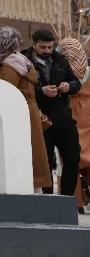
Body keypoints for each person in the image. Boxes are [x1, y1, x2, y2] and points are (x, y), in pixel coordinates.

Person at [0, 26, 52, 192]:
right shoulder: (16, 61)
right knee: (31, 156)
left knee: (21, 158)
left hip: (17, 117)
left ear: (0, 43)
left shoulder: (8, 67)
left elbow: (5, 93)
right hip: (26, 113)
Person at [24, 29, 82, 197]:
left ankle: (67, 198)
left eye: (50, 47)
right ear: (34, 44)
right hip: (40, 120)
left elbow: (76, 83)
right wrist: (41, 91)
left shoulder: (60, 59)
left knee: (72, 158)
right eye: (43, 47)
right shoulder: (24, 61)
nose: (47, 51)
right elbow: (21, 89)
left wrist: (68, 86)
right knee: (46, 162)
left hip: (64, 119)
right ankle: (48, 200)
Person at [59, 38, 90, 212]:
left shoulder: (60, 73)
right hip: (88, 120)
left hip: (68, 119)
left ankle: (75, 202)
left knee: (70, 162)